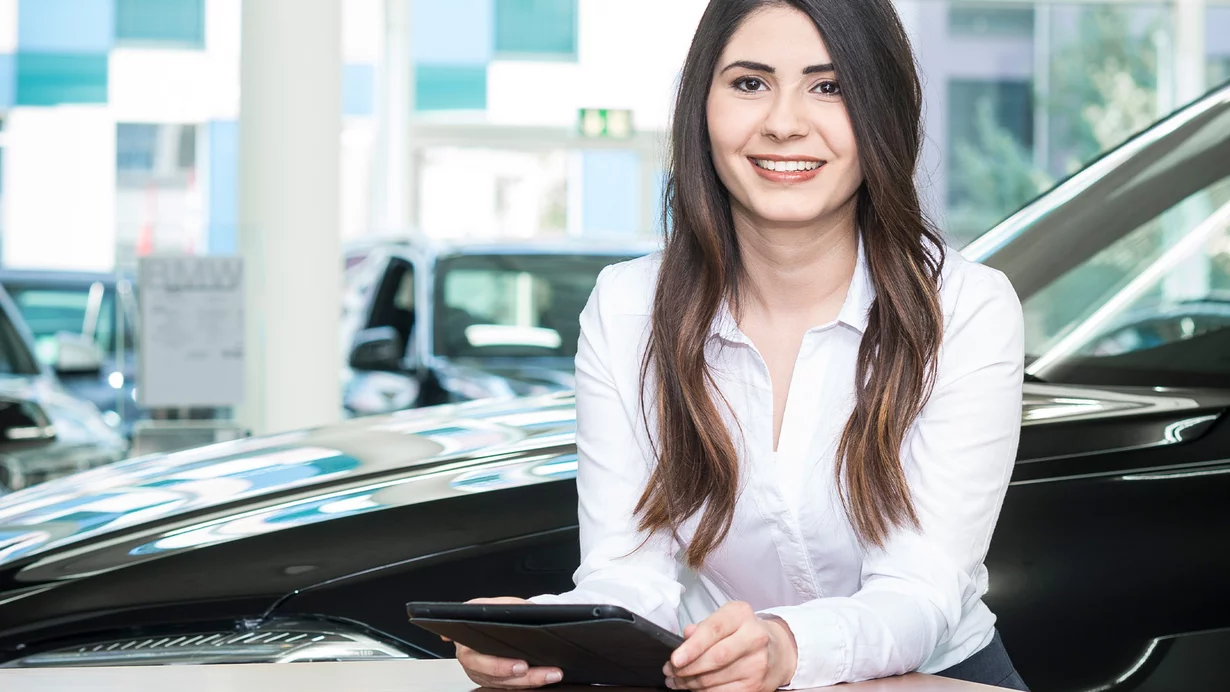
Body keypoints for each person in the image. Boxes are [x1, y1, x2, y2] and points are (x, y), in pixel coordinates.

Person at [455, 0, 1028, 690]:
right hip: (717, 680)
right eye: (750, 84)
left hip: (932, 676)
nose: (784, 124)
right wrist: (541, 632)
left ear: (885, 109)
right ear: (702, 106)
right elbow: (629, 573)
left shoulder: (966, 308)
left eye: (830, 86)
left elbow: (920, 591)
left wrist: (787, 646)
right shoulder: (628, 306)